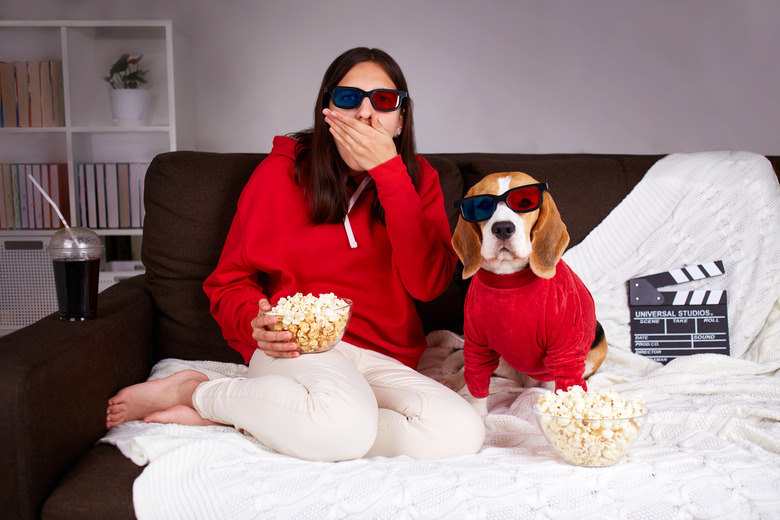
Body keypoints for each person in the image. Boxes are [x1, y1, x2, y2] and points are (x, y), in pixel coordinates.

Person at [106, 47, 485, 462]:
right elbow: (228, 280)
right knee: (341, 426)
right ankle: (196, 391)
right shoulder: (283, 172)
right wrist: (255, 319)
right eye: (347, 98)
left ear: (401, 119)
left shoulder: (419, 179)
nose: (365, 113)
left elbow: (427, 286)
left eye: (383, 101)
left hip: (385, 354)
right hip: (298, 348)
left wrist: (390, 176)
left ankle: (266, 417)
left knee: (460, 432)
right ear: (327, 111)